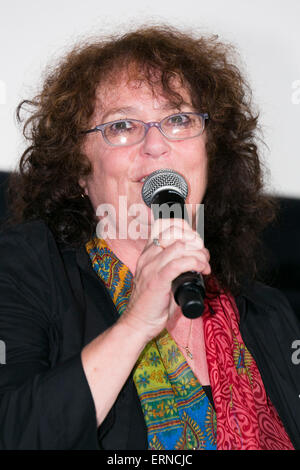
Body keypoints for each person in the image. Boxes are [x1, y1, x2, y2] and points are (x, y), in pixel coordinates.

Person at [0, 25, 299, 451]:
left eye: (178, 119)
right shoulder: (27, 268)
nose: (156, 145)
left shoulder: (267, 313)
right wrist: (137, 323)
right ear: (79, 171)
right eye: (122, 125)